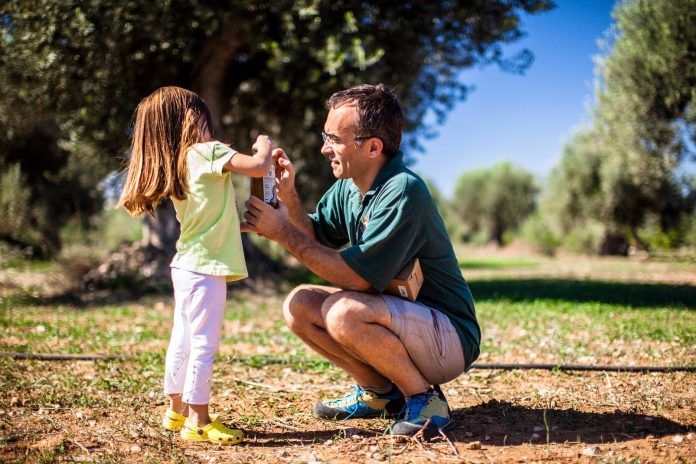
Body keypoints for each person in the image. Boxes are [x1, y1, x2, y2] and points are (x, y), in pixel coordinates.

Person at [243, 84, 480, 438]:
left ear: (373, 147)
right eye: (326, 136)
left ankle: (426, 400)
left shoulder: (402, 190)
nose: (325, 148)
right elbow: (317, 235)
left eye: (334, 139)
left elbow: (354, 279)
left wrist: (281, 234)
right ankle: (381, 395)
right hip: (403, 321)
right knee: (299, 305)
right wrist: (289, 198)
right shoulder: (350, 187)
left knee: (344, 311)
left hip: (449, 337)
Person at [118, 86, 273, 445]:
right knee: (204, 343)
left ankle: (175, 412)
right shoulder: (208, 151)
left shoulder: (179, 162)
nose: (210, 123)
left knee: (183, 338)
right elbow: (258, 166)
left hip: (186, 265)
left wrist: (237, 224)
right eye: (205, 115)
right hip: (206, 269)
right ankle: (199, 421)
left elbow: (209, 214)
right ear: (191, 117)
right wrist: (263, 144)